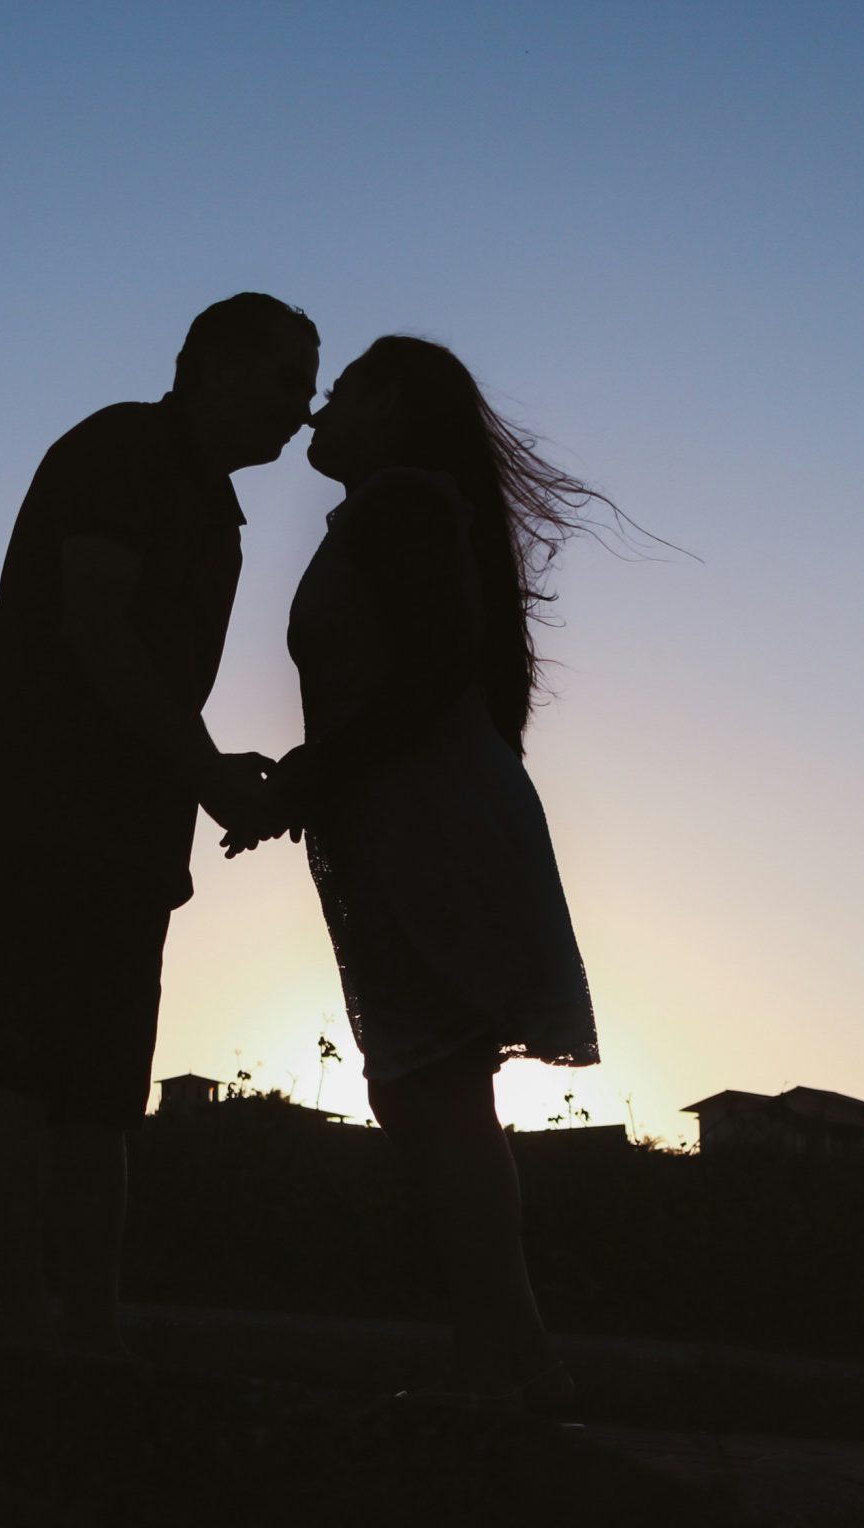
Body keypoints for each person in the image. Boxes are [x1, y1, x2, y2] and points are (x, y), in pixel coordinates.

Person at [227, 333, 629, 1413]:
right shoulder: (399, 510)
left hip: (424, 823)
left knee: (433, 1088)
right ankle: (505, 1360)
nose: (316, 413)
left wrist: (306, 781)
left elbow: (431, 674)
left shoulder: (401, 504)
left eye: (344, 392)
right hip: (413, 815)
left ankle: (517, 1369)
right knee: (430, 1091)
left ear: (393, 405)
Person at [0, 294, 322, 1358]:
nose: (299, 413)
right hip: (38, 812)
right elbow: (95, 631)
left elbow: (142, 667)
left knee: (103, 1095)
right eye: (284, 383)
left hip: (127, 835)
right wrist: (206, 772)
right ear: (209, 364)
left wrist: (201, 768)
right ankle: (27, 1335)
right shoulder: (121, 451)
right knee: (22, 1073)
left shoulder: (215, 510)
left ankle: (91, 1343)